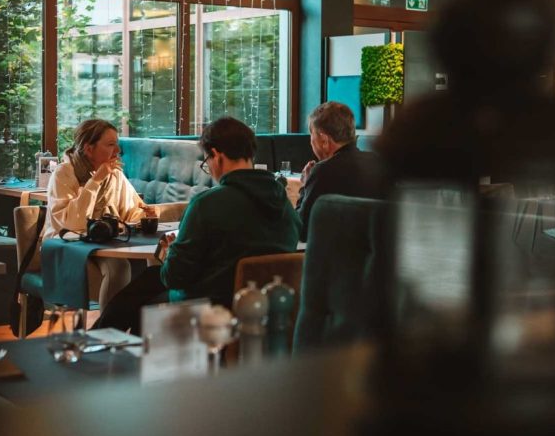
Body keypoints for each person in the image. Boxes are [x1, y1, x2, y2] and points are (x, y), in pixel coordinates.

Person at [97, 116, 300, 332]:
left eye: (206, 162)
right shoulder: (284, 204)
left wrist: (171, 250)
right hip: (270, 305)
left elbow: (175, 276)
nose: (209, 169)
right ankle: (101, 339)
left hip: (212, 305)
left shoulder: (208, 203)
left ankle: (103, 347)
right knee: (146, 282)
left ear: (217, 156)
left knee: (139, 302)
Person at [43, 119, 156, 309]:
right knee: (118, 268)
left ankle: (137, 327)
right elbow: (72, 223)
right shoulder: (64, 173)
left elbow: (130, 211)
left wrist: (147, 214)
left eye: (117, 144)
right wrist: (95, 181)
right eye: (111, 145)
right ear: (89, 149)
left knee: (156, 259)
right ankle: (106, 330)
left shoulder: (114, 174)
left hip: (103, 240)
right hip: (66, 243)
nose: (117, 151)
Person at [296, 101, 386, 242]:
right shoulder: (378, 162)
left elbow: (301, 230)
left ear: (324, 140)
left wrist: (304, 188)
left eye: (311, 135)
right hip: (377, 255)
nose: (311, 141)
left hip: (338, 259)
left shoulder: (323, 172)